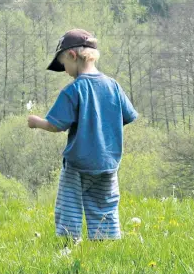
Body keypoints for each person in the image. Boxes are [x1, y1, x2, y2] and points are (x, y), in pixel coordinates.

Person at [27, 28, 137, 241]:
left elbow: (55, 125)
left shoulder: (73, 90)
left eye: (64, 65)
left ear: (72, 56)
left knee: (70, 206)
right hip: (108, 162)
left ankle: (69, 244)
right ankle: (106, 243)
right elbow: (128, 116)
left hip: (78, 164)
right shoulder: (113, 86)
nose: (65, 70)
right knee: (105, 205)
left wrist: (36, 122)